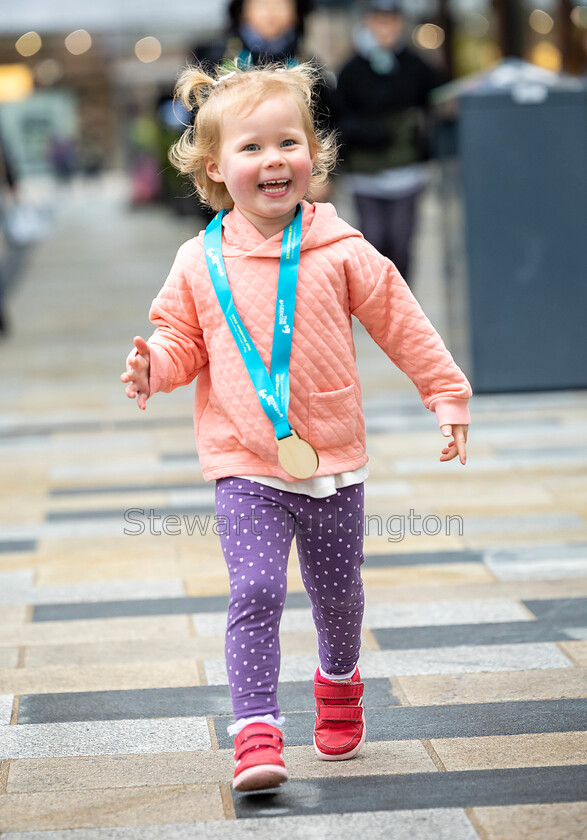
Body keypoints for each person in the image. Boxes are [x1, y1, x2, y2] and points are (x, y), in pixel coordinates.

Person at [120, 62, 471, 793]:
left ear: (313, 153)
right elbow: (183, 339)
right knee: (253, 591)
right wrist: (155, 365)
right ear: (216, 167)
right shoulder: (196, 260)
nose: (272, 160)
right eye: (251, 148)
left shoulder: (342, 250)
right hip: (242, 460)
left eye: (288, 142)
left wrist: (444, 391)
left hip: (332, 458)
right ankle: (256, 730)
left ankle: (338, 682)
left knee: (338, 593)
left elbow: (400, 323)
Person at [335, 0, 448, 283]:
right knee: (373, 241)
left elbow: (438, 99)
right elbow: (338, 116)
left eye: (391, 21)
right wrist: (367, 132)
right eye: (380, 20)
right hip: (366, 173)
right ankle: (377, 304)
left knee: (402, 241)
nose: (386, 28)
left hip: (407, 172)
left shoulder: (415, 64)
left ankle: (401, 305)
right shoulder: (351, 69)